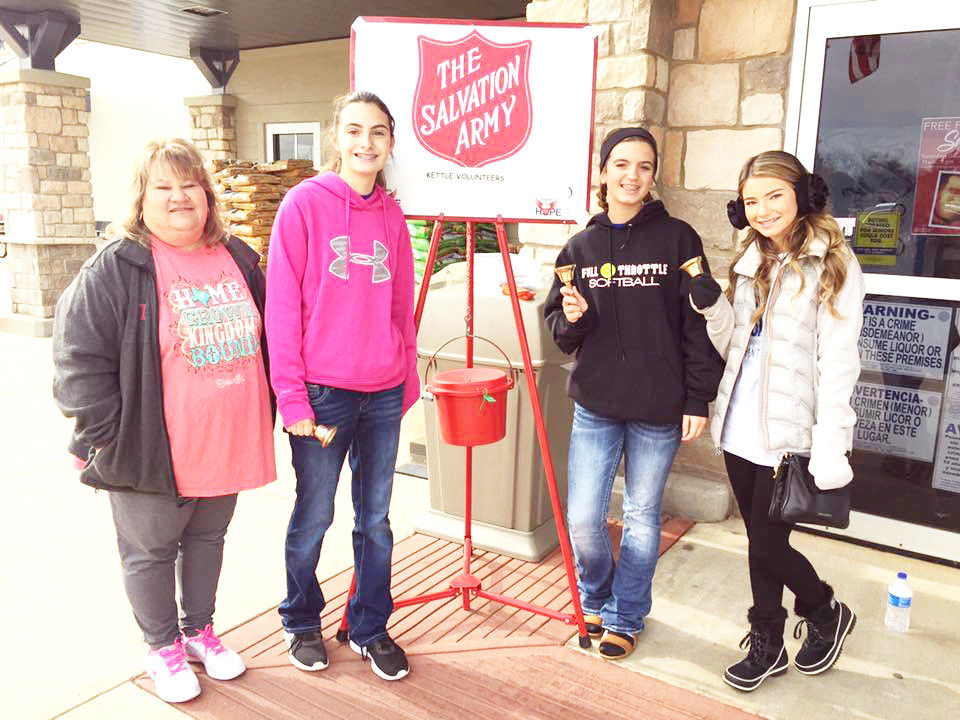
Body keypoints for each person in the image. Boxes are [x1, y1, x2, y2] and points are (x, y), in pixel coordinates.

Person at [53, 138, 276, 704]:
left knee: (208, 540)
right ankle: (162, 647)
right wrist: (107, 436)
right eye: (164, 187)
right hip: (152, 449)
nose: (180, 197)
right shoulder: (118, 266)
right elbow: (77, 360)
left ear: (207, 193)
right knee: (150, 552)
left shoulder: (239, 256)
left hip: (225, 442)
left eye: (190, 184)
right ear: (141, 198)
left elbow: (272, 334)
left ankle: (199, 631)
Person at [543, 127, 722, 661]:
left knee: (643, 516)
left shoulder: (679, 239)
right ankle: (596, 596)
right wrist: (571, 319)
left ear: (653, 175)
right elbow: (560, 324)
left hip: (658, 408)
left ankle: (626, 614)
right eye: (621, 164)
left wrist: (697, 398)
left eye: (644, 166)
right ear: (602, 173)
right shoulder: (580, 247)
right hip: (596, 404)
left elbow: (700, 325)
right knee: (583, 518)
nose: (631, 176)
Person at [689, 150, 863, 692]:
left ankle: (824, 609)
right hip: (741, 424)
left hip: (789, 435)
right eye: (750, 201)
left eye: (774, 196)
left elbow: (839, 365)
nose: (762, 210)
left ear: (803, 196)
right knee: (758, 540)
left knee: (768, 544)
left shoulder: (833, 263)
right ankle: (768, 643)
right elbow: (736, 342)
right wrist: (713, 308)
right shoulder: (751, 260)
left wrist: (830, 446)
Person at [265, 90, 418, 681]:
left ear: (390, 142)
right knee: (314, 514)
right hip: (323, 396)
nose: (365, 143)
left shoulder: (393, 214)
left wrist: (403, 379)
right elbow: (282, 310)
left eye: (377, 132)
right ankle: (300, 620)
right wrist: (292, 396)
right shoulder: (303, 205)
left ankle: (368, 625)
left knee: (375, 519)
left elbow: (400, 304)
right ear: (335, 137)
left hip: (381, 395)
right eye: (354, 130)